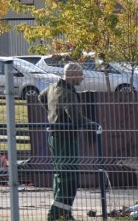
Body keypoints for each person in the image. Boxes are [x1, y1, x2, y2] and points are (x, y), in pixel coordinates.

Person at [38, 62, 94, 221]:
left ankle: (64, 213)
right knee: (69, 178)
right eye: (80, 75)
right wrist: (92, 124)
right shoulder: (67, 93)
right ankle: (55, 215)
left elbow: (41, 97)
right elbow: (75, 117)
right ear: (73, 76)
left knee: (60, 176)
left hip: (55, 137)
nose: (82, 78)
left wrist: (53, 114)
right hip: (66, 139)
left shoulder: (53, 87)